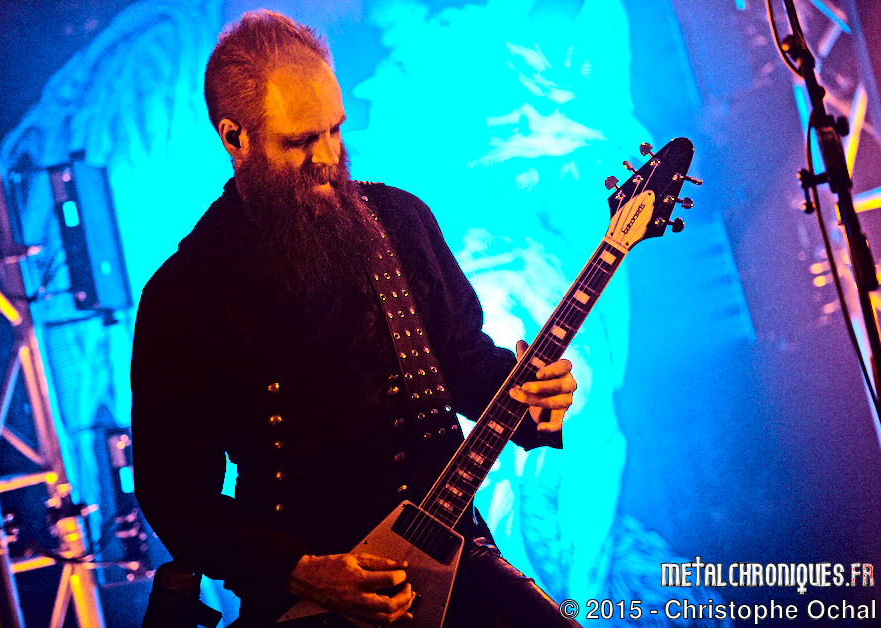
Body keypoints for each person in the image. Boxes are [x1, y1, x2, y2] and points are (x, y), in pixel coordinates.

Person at [132, 10, 580, 627]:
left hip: (451, 558)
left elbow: (461, 360)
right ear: (235, 139)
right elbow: (175, 497)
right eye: (300, 142)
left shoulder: (400, 220)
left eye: (335, 130)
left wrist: (531, 396)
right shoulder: (183, 296)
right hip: (304, 601)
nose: (328, 157)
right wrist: (301, 571)